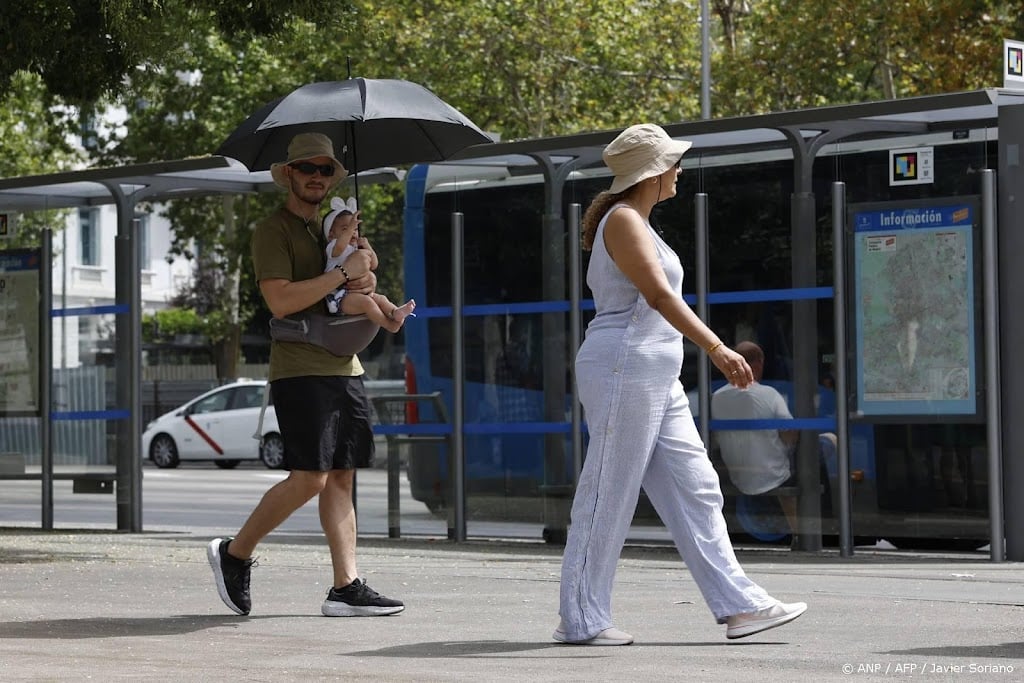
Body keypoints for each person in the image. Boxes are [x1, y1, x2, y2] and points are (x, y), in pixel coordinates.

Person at [554, 124, 806, 645]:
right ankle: (580, 618)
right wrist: (718, 347)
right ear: (652, 173)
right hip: (626, 363)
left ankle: (740, 606)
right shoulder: (623, 221)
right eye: (673, 163)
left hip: (651, 370)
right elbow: (660, 298)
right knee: (608, 491)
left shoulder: (638, 221)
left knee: (698, 487)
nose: (679, 171)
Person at [207, 132, 404, 618]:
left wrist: (363, 268)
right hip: (300, 368)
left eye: (325, 170)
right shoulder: (272, 231)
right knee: (310, 478)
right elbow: (282, 300)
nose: (317, 177)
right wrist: (341, 275)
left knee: (341, 477)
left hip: (346, 365)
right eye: (308, 169)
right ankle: (234, 554)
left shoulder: (335, 228)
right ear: (289, 174)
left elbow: (357, 284)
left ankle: (346, 586)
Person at [711, 341, 800, 535]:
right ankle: (800, 533)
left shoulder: (717, 397)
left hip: (738, 477)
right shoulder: (770, 394)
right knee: (821, 446)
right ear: (758, 365)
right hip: (773, 475)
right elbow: (790, 437)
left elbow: (717, 439)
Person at [322, 196, 416, 332]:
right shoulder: (333, 247)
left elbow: (373, 264)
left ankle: (395, 312)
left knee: (381, 298)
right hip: (340, 298)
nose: (352, 232)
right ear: (331, 234)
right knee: (367, 303)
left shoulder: (355, 248)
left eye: (355, 229)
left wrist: (367, 247)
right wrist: (351, 229)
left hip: (358, 293)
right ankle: (390, 325)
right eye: (345, 228)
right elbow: (340, 246)